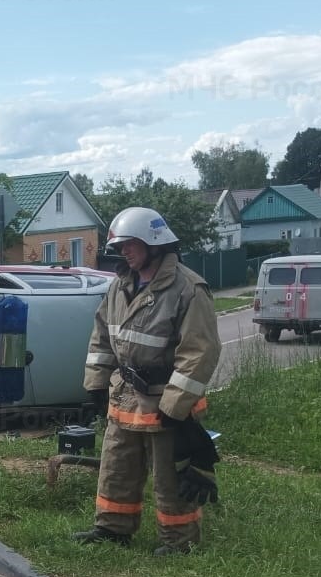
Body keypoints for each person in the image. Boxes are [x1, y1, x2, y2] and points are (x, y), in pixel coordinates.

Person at [73, 207, 222, 555]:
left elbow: (199, 352)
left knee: (170, 478)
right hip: (124, 396)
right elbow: (102, 337)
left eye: (130, 244)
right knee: (116, 468)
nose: (124, 251)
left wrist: (175, 407)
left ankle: (180, 542)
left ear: (154, 244)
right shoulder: (120, 285)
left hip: (165, 401)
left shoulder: (187, 288)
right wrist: (96, 384)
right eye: (121, 245)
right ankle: (112, 530)